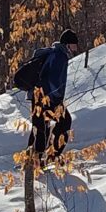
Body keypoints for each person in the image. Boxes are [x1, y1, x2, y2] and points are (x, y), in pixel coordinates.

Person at [22, 28, 81, 162]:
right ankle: (43, 159)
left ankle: (37, 159)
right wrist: (56, 99)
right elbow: (53, 80)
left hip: (41, 97)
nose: (76, 48)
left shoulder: (58, 54)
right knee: (60, 123)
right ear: (67, 44)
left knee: (41, 127)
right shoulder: (59, 56)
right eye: (74, 45)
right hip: (46, 97)